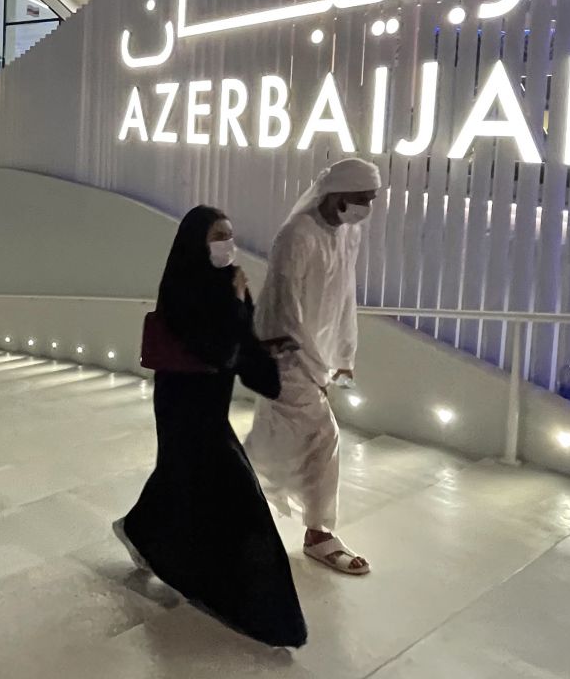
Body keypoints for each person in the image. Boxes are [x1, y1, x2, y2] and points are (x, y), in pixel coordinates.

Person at [115, 206, 306, 648]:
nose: (227, 243)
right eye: (217, 235)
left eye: (230, 234)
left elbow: (244, 343)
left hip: (211, 405)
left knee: (181, 477)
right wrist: (236, 307)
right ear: (197, 241)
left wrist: (267, 374)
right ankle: (268, 614)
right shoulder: (183, 283)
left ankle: (139, 528)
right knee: (237, 493)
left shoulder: (231, 280)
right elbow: (219, 347)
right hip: (182, 403)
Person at [245, 157, 382, 577]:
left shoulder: (348, 234)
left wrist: (342, 358)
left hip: (317, 361)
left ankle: (223, 505)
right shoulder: (297, 235)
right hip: (288, 358)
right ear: (336, 194)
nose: (365, 208)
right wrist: (306, 365)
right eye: (360, 199)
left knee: (275, 440)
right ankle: (319, 535)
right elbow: (282, 307)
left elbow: (344, 298)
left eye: (371, 200)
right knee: (323, 437)